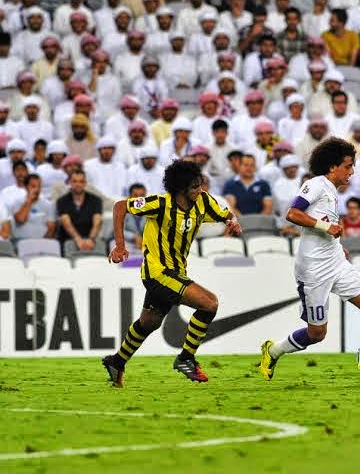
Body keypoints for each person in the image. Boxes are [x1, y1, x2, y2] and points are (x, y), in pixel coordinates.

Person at [260, 137, 360, 384]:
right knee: (317, 333)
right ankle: (274, 351)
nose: (352, 171)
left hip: (336, 262)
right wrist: (326, 227)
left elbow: (326, 225)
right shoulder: (316, 185)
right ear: (333, 167)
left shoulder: (332, 191)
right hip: (313, 270)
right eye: (348, 166)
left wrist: (338, 246)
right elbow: (293, 213)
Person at [104, 160, 241, 387]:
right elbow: (120, 207)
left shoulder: (204, 201)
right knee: (209, 303)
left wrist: (232, 222)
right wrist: (120, 246)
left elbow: (225, 214)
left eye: (201, 184)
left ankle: (116, 362)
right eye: (195, 186)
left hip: (176, 272)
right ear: (180, 189)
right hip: (157, 272)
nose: (200, 190)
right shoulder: (159, 204)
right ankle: (186, 358)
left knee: (149, 322)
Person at [56, 170, 103, 251]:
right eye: (75, 181)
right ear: (69, 182)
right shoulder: (62, 201)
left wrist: (91, 239)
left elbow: (97, 222)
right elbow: (66, 223)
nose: (78, 184)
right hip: (68, 240)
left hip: (90, 239)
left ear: (85, 183)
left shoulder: (96, 200)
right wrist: (77, 239)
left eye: (81, 181)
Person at [222, 152, 273, 216]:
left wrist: (258, 220)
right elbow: (230, 207)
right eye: (246, 165)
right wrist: (244, 220)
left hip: (260, 220)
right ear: (239, 166)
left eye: (252, 165)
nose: (249, 168)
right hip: (238, 220)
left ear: (255, 167)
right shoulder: (230, 184)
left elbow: (268, 207)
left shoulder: (264, 184)